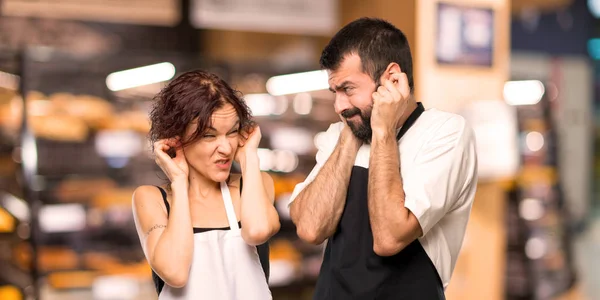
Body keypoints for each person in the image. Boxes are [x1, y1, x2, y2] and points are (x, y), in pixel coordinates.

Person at [288, 17, 478, 299]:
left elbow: (389, 238)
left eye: (348, 89)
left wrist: (382, 130)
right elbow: (310, 228)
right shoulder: (341, 134)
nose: (339, 106)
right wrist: (353, 133)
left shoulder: (445, 133)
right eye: (334, 92)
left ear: (391, 78)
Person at [132, 70, 280, 300]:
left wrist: (250, 158)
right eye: (209, 136)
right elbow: (175, 273)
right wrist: (180, 183)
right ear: (175, 138)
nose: (226, 148)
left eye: (232, 132)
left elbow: (257, 231)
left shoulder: (254, 184)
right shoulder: (152, 199)